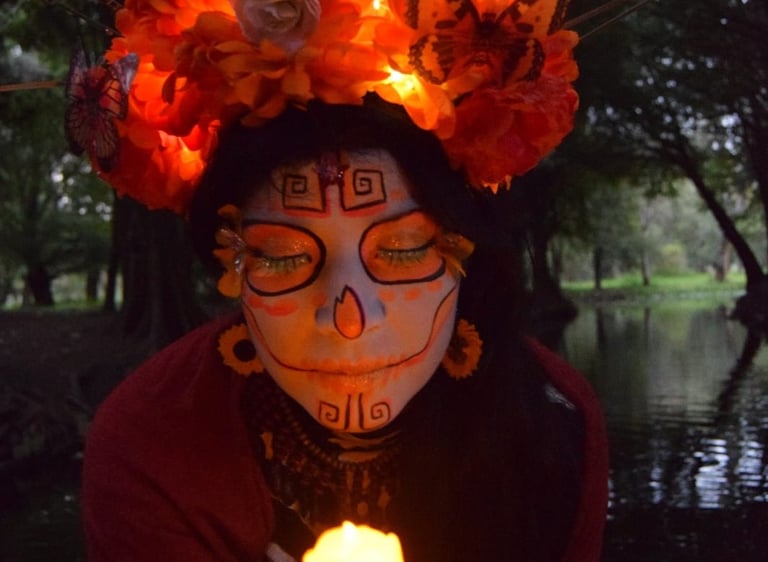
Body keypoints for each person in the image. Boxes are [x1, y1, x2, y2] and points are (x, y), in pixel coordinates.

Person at [80, 1, 608, 561]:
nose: (349, 318)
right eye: (282, 258)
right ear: (230, 266)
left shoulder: (556, 421)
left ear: (465, 250)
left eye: (403, 249)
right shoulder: (150, 440)